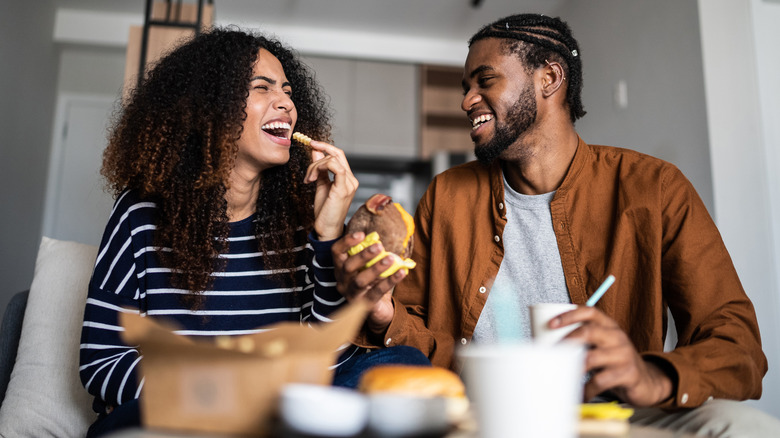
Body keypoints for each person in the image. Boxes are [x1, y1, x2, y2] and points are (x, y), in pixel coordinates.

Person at [333, 13, 780, 436]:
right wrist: (382, 310)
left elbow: (736, 343)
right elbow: (416, 339)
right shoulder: (447, 194)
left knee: (745, 428)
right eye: (465, 87)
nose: (466, 101)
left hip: (610, 411)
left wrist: (652, 376)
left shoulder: (654, 188)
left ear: (549, 78)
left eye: (484, 81)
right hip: (478, 408)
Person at [79, 27, 428, 438]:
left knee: (402, 362)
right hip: (184, 412)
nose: (286, 103)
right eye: (262, 87)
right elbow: (101, 361)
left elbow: (326, 364)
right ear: (211, 107)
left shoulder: (299, 220)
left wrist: (328, 232)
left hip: (278, 412)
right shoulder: (141, 214)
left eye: (287, 91)